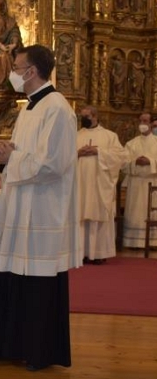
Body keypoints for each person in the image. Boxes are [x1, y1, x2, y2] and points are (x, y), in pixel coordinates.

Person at [0, 44, 81, 372]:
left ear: (32, 71)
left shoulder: (58, 108)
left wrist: (14, 158)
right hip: (19, 205)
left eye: (17, 66)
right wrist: (6, 157)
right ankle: (7, 344)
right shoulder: (29, 109)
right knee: (11, 275)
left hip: (42, 208)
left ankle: (37, 350)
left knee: (38, 280)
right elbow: (22, 155)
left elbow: (54, 164)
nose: (12, 72)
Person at [76, 106, 127, 264]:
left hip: (100, 184)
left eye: (86, 116)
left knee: (98, 215)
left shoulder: (109, 136)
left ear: (95, 116)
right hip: (80, 184)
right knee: (80, 216)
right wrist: (78, 153)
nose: (83, 119)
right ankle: (81, 253)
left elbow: (122, 157)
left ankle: (98, 254)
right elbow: (64, 157)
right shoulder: (76, 136)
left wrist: (98, 152)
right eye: (82, 116)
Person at [121, 112, 157, 248]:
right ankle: (133, 242)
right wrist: (135, 162)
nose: (143, 123)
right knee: (135, 211)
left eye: (145, 121)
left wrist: (150, 161)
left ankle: (153, 242)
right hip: (135, 183)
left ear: (151, 123)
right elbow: (123, 163)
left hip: (153, 182)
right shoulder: (131, 144)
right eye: (141, 121)